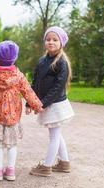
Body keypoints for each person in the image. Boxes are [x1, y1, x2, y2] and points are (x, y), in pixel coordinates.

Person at [0, 40, 43, 181]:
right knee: (12, 145)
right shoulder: (19, 76)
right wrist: (37, 105)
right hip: (12, 117)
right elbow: (28, 92)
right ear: (14, 58)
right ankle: (10, 171)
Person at [26, 26, 74, 177]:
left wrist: (42, 104)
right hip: (46, 104)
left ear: (61, 43)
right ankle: (64, 163)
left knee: (54, 136)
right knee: (56, 134)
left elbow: (57, 88)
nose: (51, 42)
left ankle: (46, 166)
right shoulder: (42, 61)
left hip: (55, 105)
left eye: (54, 39)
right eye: (48, 39)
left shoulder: (61, 63)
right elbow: (35, 83)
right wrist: (29, 102)